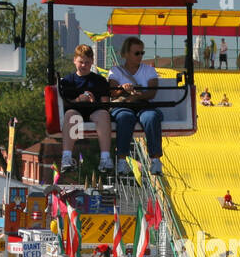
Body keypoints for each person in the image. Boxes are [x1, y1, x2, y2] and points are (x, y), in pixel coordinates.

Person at [108, 36, 165, 175]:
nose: (140, 56)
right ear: (126, 54)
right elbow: (113, 92)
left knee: (151, 117)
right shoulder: (115, 71)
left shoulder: (149, 70)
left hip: (143, 105)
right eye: (136, 53)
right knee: (125, 118)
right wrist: (123, 89)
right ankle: (122, 160)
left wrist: (136, 96)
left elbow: (151, 93)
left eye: (142, 53)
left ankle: (155, 160)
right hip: (123, 106)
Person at [58, 44, 114, 172]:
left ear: (92, 62)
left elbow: (105, 104)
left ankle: (105, 158)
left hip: (94, 112)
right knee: (70, 115)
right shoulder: (67, 81)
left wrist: (94, 101)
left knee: (104, 115)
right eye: (81, 62)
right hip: (75, 111)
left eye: (87, 63)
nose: (83, 65)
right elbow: (64, 104)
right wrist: (79, 100)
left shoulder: (100, 81)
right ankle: (66, 157)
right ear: (74, 61)